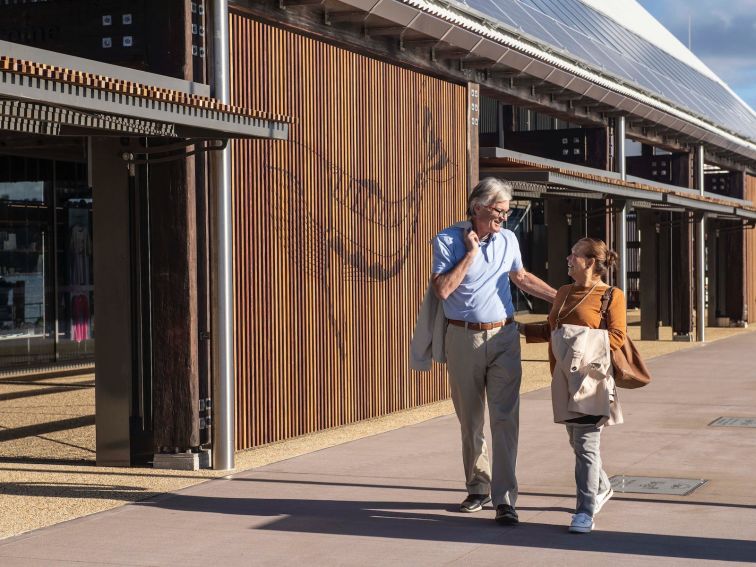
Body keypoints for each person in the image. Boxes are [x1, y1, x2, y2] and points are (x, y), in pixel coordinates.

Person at [431, 177, 557, 525]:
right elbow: (443, 290)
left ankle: (505, 499)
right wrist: (471, 253)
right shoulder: (447, 240)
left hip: (504, 336)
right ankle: (477, 488)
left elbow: (522, 278)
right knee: (470, 420)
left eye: (507, 209)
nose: (505, 215)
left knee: (505, 419)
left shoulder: (510, 239)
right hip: (462, 339)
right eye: (500, 209)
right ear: (478, 207)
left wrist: (565, 298)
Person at [522, 237, 626, 534]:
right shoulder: (565, 292)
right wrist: (518, 328)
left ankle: (585, 511)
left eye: (574, 254)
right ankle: (603, 486)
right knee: (577, 443)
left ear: (590, 262)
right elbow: (553, 329)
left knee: (585, 446)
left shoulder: (611, 296)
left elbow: (617, 337)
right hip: (563, 379)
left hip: (591, 380)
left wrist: (576, 338)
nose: (568, 258)